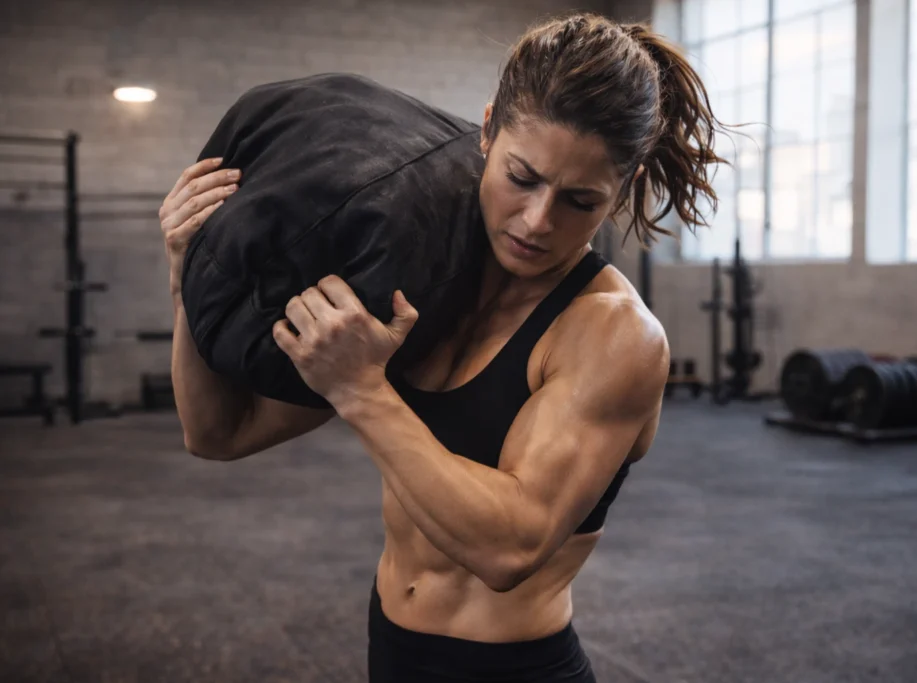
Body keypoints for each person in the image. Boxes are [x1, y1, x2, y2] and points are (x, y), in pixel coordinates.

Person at [159, 13, 723, 682]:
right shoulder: (420, 280)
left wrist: (362, 389)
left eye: (578, 200)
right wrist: (191, 274)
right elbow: (218, 431)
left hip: (512, 666)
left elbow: (511, 546)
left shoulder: (612, 334)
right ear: (486, 130)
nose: (538, 221)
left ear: (621, 190)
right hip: (393, 649)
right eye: (522, 177)